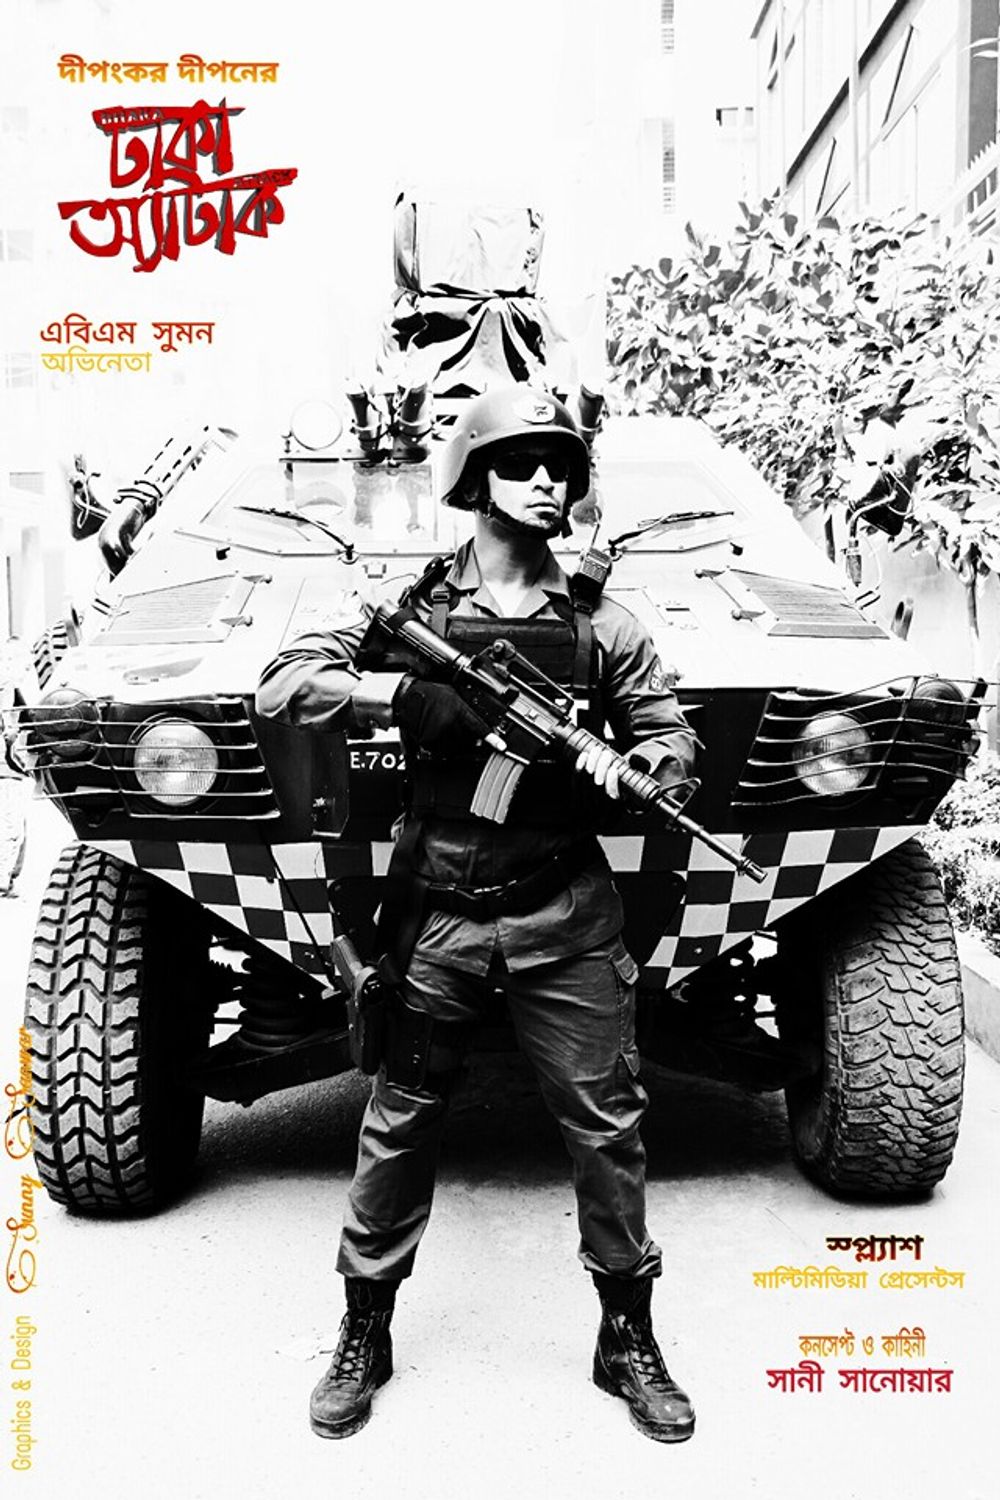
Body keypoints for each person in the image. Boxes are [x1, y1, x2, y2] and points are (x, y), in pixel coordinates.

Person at [255, 386, 700, 1444]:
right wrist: (401, 697)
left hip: (564, 912)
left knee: (607, 1125)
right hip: (439, 918)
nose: (547, 481)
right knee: (400, 1120)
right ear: (474, 480)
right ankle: (364, 1331)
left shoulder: (602, 624)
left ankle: (626, 1337)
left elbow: (671, 734)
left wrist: (642, 763)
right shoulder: (409, 610)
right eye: (522, 462)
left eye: (561, 466)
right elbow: (283, 685)